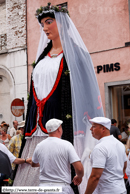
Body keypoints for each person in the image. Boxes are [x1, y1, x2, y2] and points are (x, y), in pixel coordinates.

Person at [13, 3, 104, 193]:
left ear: (62, 23)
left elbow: (84, 90)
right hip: (37, 127)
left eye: (49, 22)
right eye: (42, 24)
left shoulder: (77, 55)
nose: (45, 28)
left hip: (63, 124)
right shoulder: (41, 59)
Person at [31, 118, 84, 194]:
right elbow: (79, 168)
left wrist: (45, 163)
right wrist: (79, 176)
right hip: (61, 188)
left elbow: (33, 164)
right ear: (59, 129)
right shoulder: (66, 145)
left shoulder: (39, 146)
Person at [84, 117, 127, 194]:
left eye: (94, 126)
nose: (90, 129)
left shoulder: (100, 147)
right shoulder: (119, 144)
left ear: (103, 129)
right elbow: (124, 166)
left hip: (107, 191)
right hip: (120, 190)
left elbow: (95, 177)